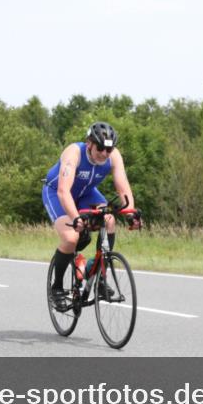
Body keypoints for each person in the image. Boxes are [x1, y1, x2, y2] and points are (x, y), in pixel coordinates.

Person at [42, 122, 141, 299]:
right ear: (89, 143)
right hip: (57, 192)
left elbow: (123, 187)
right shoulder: (74, 153)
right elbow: (63, 192)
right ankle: (56, 288)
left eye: (108, 150)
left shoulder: (114, 156)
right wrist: (76, 218)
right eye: (100, 148)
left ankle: (98, 275)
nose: (104, 154)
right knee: (71, 237)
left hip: (86, 194)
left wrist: (131, 212)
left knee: (109, 219)